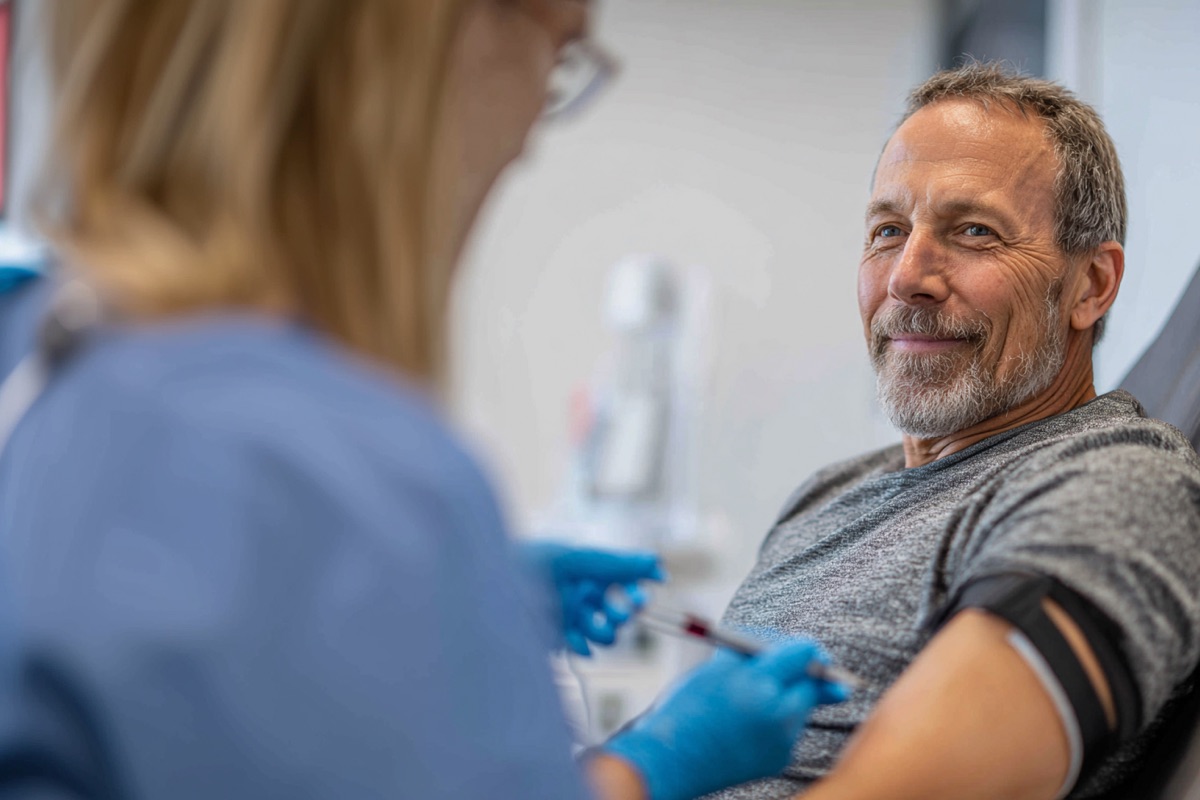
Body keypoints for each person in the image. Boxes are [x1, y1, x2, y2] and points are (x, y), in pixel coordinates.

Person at [0, 2, 847, 799]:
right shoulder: (336, 477)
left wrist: (449, 607)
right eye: (557, 59)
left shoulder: (46, 350)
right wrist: (655, 761)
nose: (527, 142)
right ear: (427, 42)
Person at [685, 63, 1200, 799]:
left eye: (974, 232)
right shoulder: (830, 493)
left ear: (1091, 285)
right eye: (888, 230)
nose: (907, 276)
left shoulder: (1115, 481)